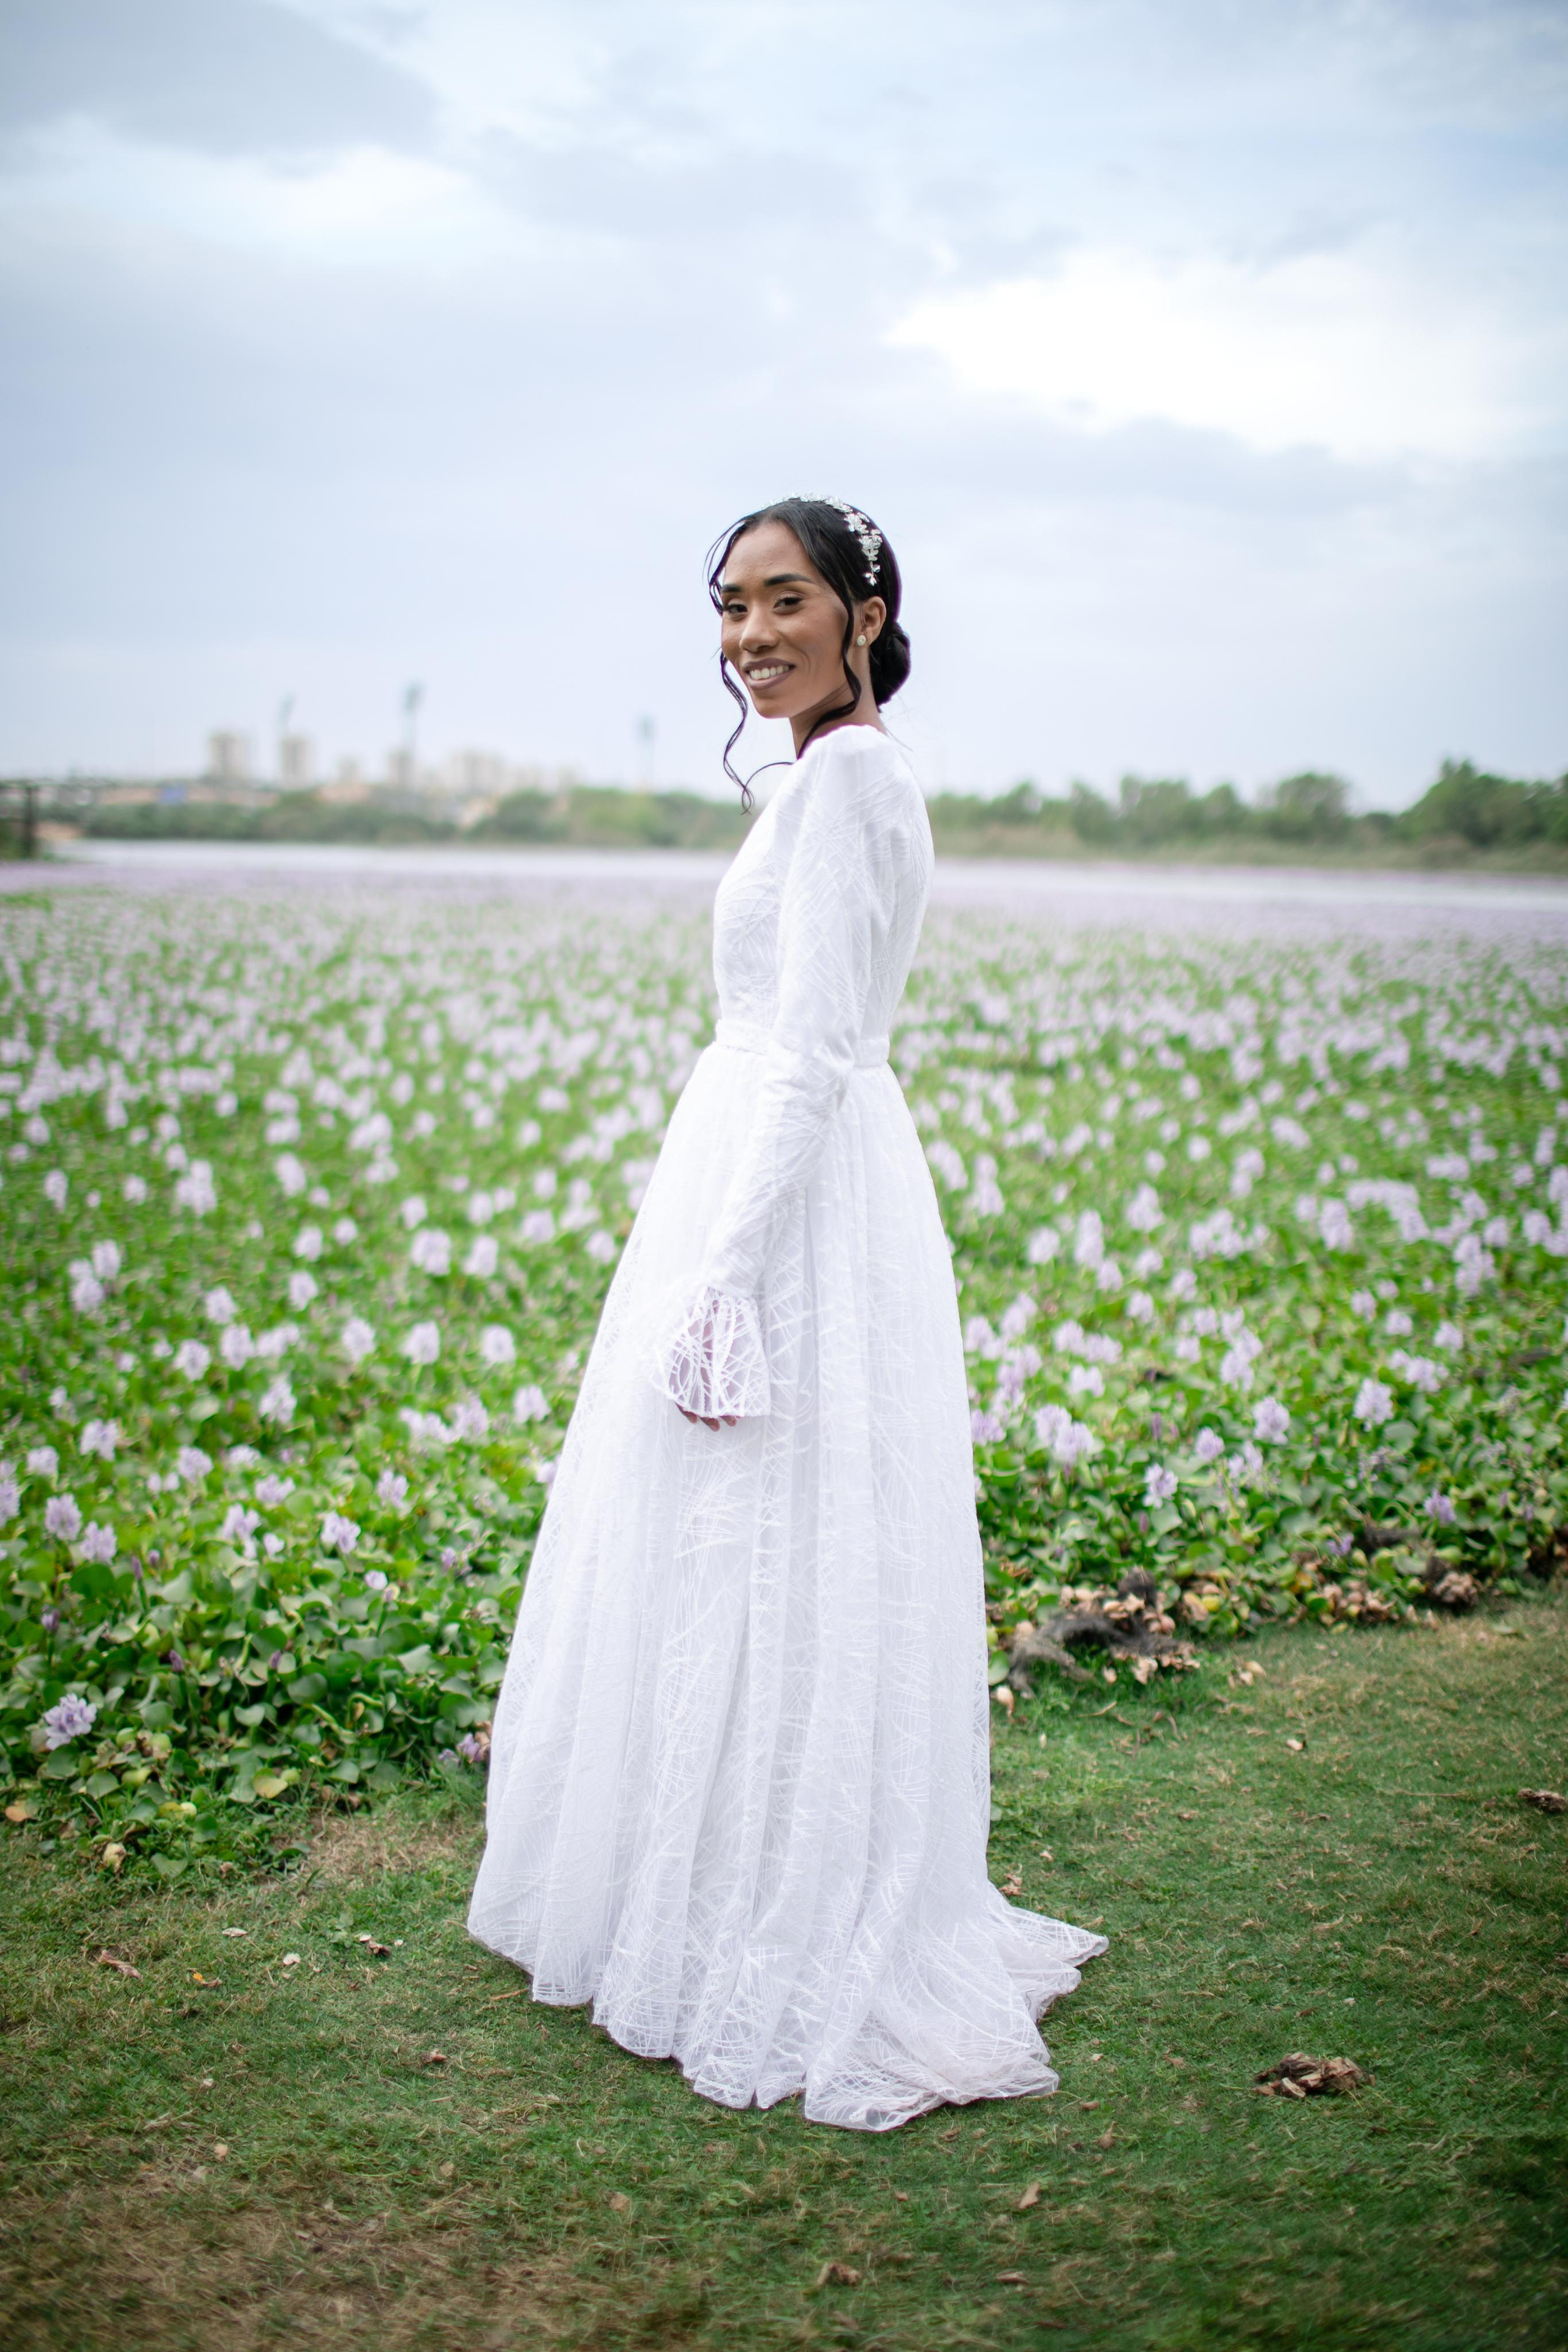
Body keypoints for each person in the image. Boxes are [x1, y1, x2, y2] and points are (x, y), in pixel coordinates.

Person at [468, 496, 1106, 2130]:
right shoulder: (827, 778)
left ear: (866, 612)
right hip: (774, 1164)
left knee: (769, 1532)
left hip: (791, 1192)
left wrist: (729, 1280)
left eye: (786, 602)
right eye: (731, 607)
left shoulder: (852, 783)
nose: (750, 635)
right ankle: (717, 1879)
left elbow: (816, 1045)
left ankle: (777, 1915)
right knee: (737, 1543)